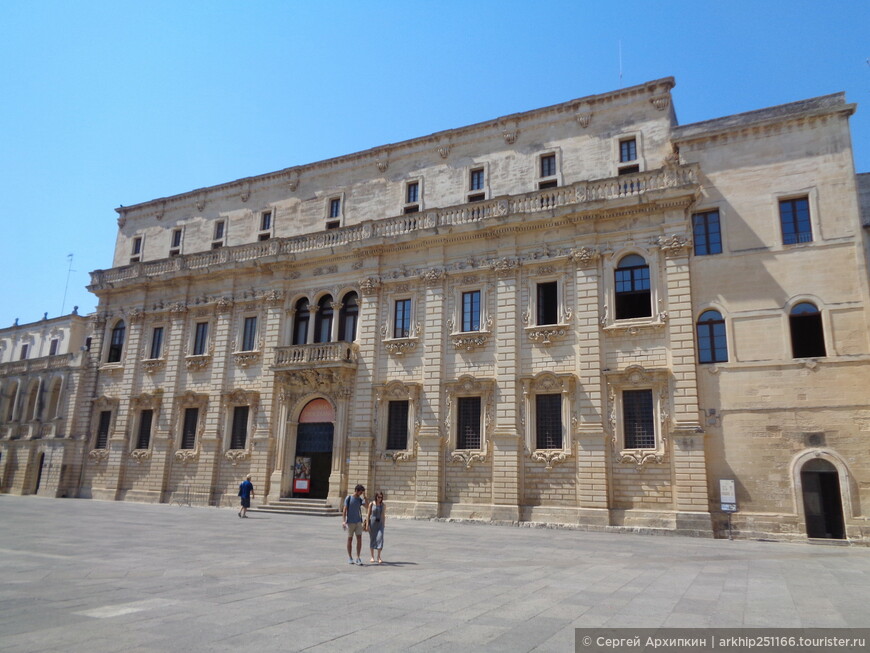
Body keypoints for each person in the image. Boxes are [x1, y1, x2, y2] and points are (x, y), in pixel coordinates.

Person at [342, 484, 367, 565]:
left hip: (358, 522)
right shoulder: (348, 498)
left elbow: (367, 506)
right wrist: (344, 521)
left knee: (359, 539)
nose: (361, 493)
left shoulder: (359, 499)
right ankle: (350, 557)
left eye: (362, 492)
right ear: (356, 490)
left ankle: (358, 557)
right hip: (350, 522)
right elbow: (344, 510)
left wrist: (365, 497)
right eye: (360, 492)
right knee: (350, 539)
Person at [367, 492, 386, 564]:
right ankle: (372, 556)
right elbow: (368, 515)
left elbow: (383, 515)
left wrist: (384, 524)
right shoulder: (371, 504)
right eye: (378, 497)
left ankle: (379, 556)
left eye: (381, 497)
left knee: (380, 538)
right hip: (372, 523)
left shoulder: (383, 505)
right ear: (376, 497)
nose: (380, 499)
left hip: (380, 524)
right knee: (372, 539)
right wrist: (367, 525)